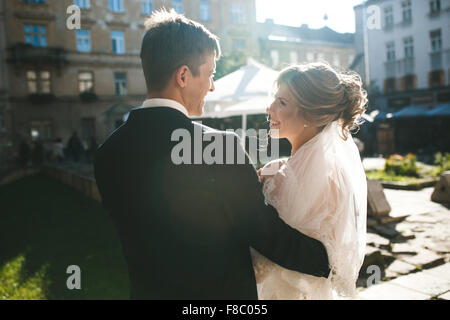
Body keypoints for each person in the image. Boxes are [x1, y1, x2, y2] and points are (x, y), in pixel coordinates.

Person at [94, 9, 330, 300]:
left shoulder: (107, 154)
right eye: (210, 74)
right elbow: (266, 235)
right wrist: (330, 261)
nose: (212, 85)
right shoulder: (220, 147)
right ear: (183, 75)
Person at [255, 63, 368, 299]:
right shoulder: (307, 170)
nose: (269, 108)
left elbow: (271, 259)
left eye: (282, 103)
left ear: (311, 115)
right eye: (274, 100)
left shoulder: (297, 178)